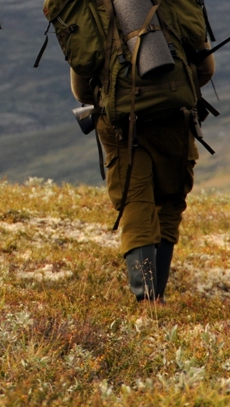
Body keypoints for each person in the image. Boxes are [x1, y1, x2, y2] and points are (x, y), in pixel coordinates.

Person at [71, 53, 215, 303]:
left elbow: (82, 90)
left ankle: (147, 299)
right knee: (169, 203)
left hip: (120, 125)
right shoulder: (174, 11)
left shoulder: (96, 13)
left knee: (136, 203)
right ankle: (158, 293)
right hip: (174, 119)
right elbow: (205, 69)